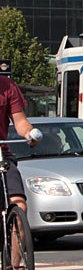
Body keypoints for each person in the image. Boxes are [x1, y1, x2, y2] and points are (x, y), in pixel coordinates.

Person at [0, 75, 42, 217]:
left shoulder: (7, 85)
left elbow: (20, 121)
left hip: (1, 155)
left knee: (19, 205)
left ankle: (16, 237)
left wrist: (30, 133)